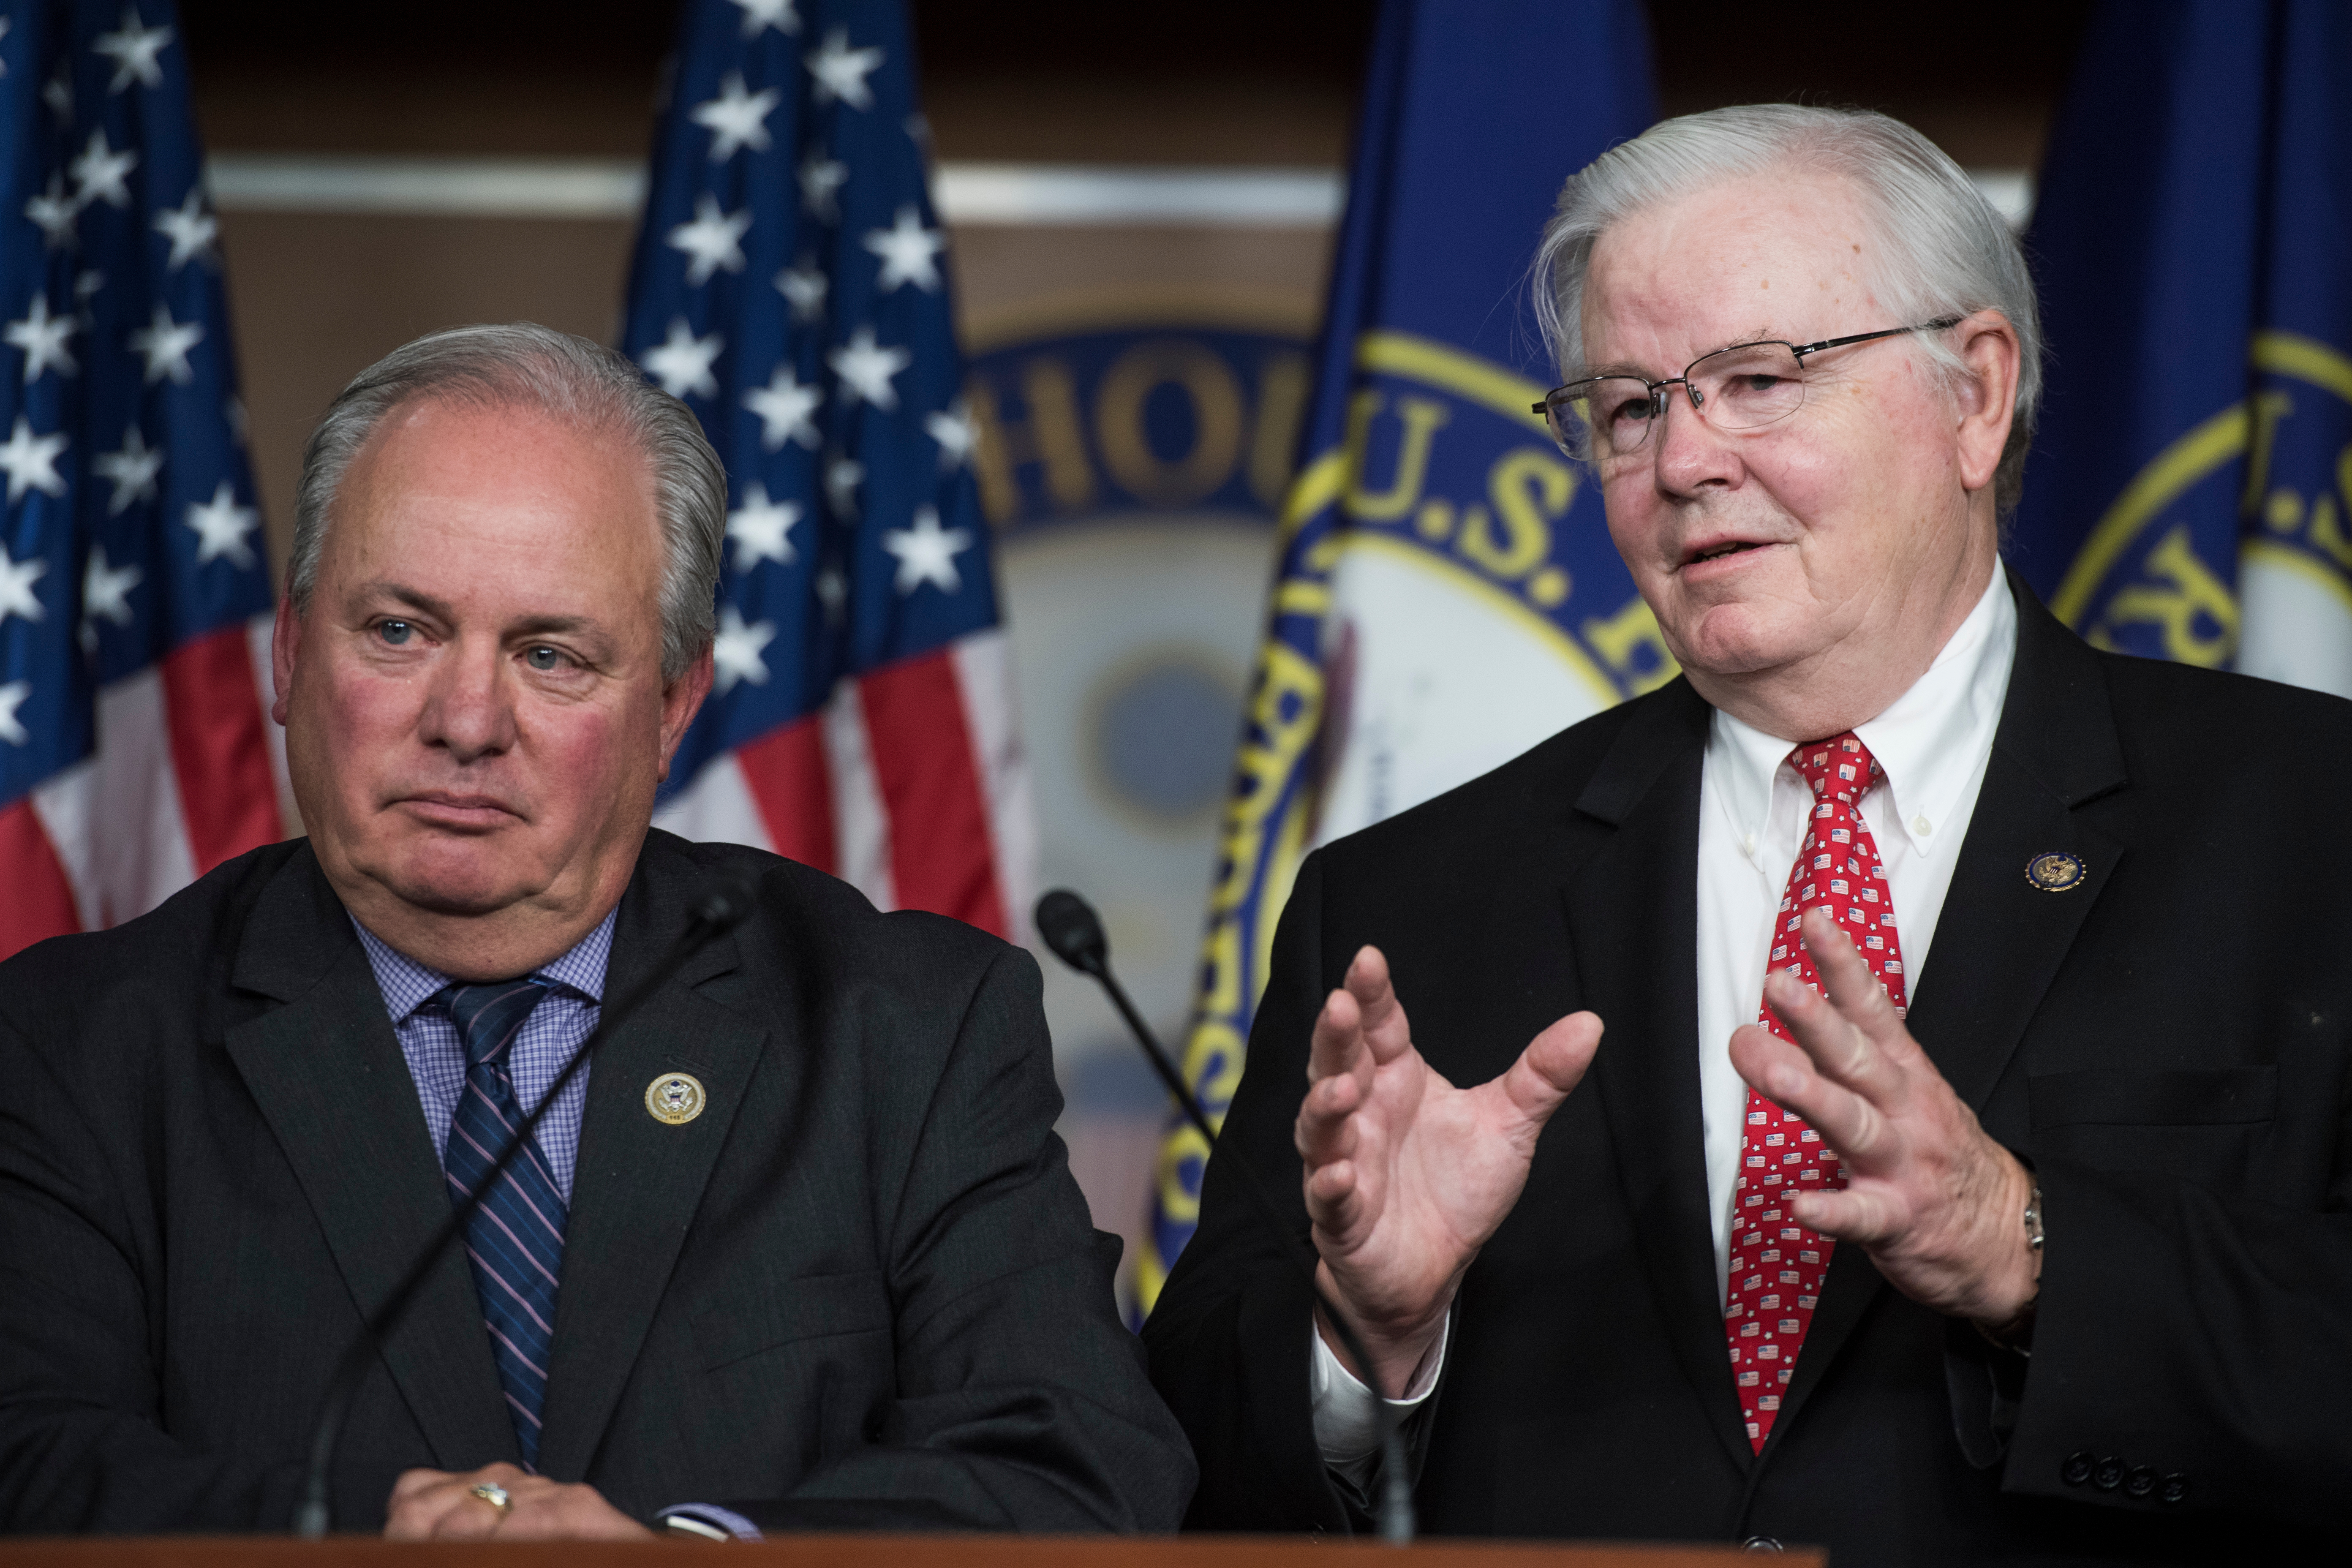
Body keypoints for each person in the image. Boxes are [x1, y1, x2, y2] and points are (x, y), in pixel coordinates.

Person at [1143, 105, 2350, 1562]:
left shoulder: (2307, 826)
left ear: (1975, 395)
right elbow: (1180, 1464)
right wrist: (1366, 1335)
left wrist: (2024, 1243)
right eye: (1631, 407)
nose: (1686, 460)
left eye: (1759, 379)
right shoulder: (1409, 902)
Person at [0, 324, 1193, 1538]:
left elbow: (1074, 1463)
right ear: (293, 653)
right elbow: (30, 1462)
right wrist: (377, 1535)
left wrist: (689, 1559)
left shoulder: (906, 1030)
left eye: (551, 655)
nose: (467, 720)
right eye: (401, 631)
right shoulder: (73, 1049)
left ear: (674, 706)